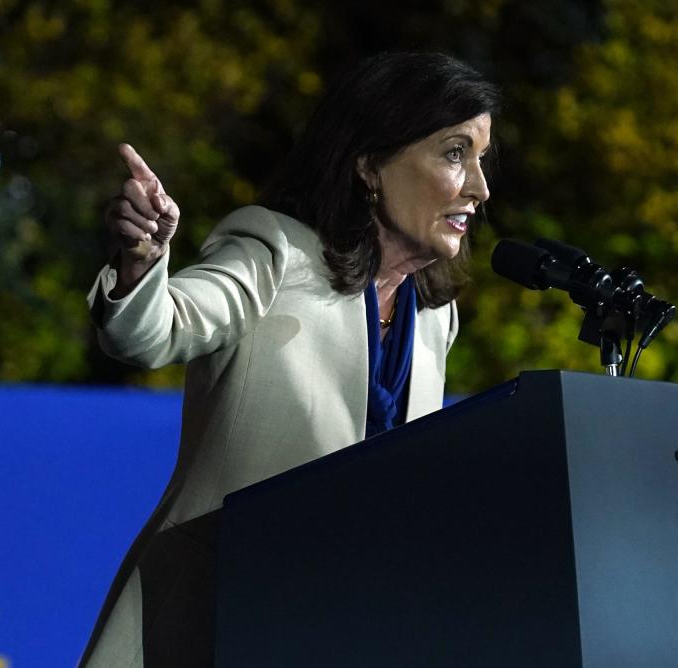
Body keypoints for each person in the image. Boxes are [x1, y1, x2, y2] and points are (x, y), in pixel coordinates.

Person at [80, 52, 499, 666]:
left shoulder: (435, 317)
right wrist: (142, 261)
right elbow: (153, 332)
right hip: (219, 619)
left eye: (482, 159)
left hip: (344, 626)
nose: (479, 188)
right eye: (455, 153)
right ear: (370, 165)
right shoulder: (273, 253)